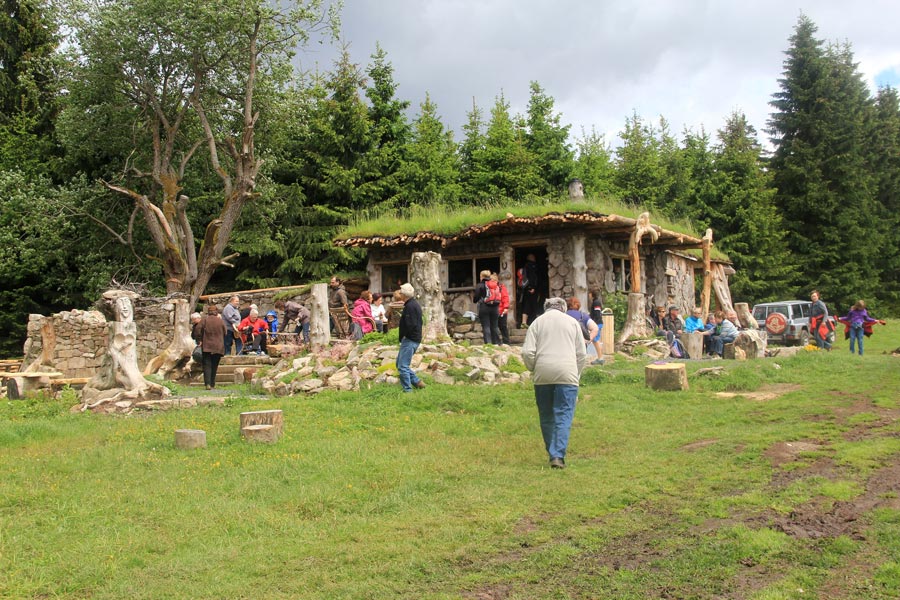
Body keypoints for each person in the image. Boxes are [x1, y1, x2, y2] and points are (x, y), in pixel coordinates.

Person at [522, 297, 587, 469]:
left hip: (543, 374)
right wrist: (576, 373)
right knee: (564, 414)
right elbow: (581, 354)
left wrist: (534, 368)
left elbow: (528, 353)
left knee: (546, 415)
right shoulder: (572, 323)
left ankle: (552, 453)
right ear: (563, 308)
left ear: (546, 308)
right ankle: (557, 455)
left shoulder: (537, 323)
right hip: (567, 373)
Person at [396, 283, 425, 392]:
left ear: (404, 295)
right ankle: (417, 382)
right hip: (412, 338)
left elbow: (410, 324)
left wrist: (404, 336)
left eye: (401, 293)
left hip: (410, 339)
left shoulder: (410, 307)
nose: (400, 294)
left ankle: (407, 390)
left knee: (403, 366)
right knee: (399, 364)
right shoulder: (412, 304)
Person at [565, 297, 604, 365]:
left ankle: (600, 358)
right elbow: (595, 328)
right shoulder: (583, 316)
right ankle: (600, 358)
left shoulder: (563, 315)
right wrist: (588, 340)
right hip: (580, 346)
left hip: (566, 346)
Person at [199, 304, 227, 390]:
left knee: (207, 365)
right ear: (216, 312)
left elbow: (197, 330)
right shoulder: (220, 321)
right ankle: (212, 384)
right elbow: (225, 332)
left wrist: (200, 339)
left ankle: (207, 384)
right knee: (214, 365)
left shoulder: (204, 320)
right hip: (218, 347)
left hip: (207, 346)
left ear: (208, 312)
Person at [473, 269, 501, 345]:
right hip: (495, 307)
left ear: (481, 276)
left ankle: (488, 343)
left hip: (484, 307)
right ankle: (496, 343)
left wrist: (477, 299)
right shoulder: (495, 284)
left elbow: (475, 298)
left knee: (486, 326)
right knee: (495, 326)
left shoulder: (480, 285)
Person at [518, 253, 541, 328]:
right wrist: (532, 287)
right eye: (533, 257)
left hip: (525, 289)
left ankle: (524, 323)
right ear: (531, 258)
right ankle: (538, 323)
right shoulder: (532, 266)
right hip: (531, 289)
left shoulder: (525, 266)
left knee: (526, 304)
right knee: (534, 305)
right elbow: (532, 277)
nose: (534, 258)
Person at [492, 273, 511, 345]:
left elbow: (505, 298)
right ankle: (496, 341)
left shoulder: (501, 288)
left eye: (493, 281)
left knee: (503, 326)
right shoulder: (489, 289)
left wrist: (506, 307)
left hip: (501, 311)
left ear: (497, 281)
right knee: (494, 327)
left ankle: (506, 341)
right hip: (493, 311)